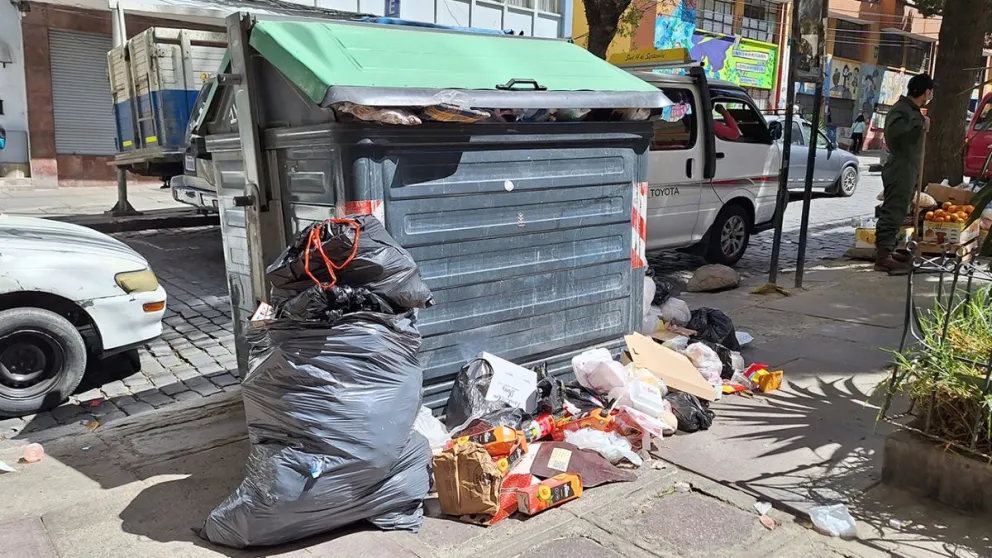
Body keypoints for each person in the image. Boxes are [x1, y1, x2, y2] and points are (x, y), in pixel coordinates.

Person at [875, 73, 934, 272]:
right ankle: (882, 257)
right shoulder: (902, 110)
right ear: (926, 92)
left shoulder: (912, 111)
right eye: (930, 92)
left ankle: (890, 250)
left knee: (901, 212)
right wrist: (919, 122)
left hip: (909, 169)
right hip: (900, 168)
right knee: (893, 211)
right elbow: (895, 133)